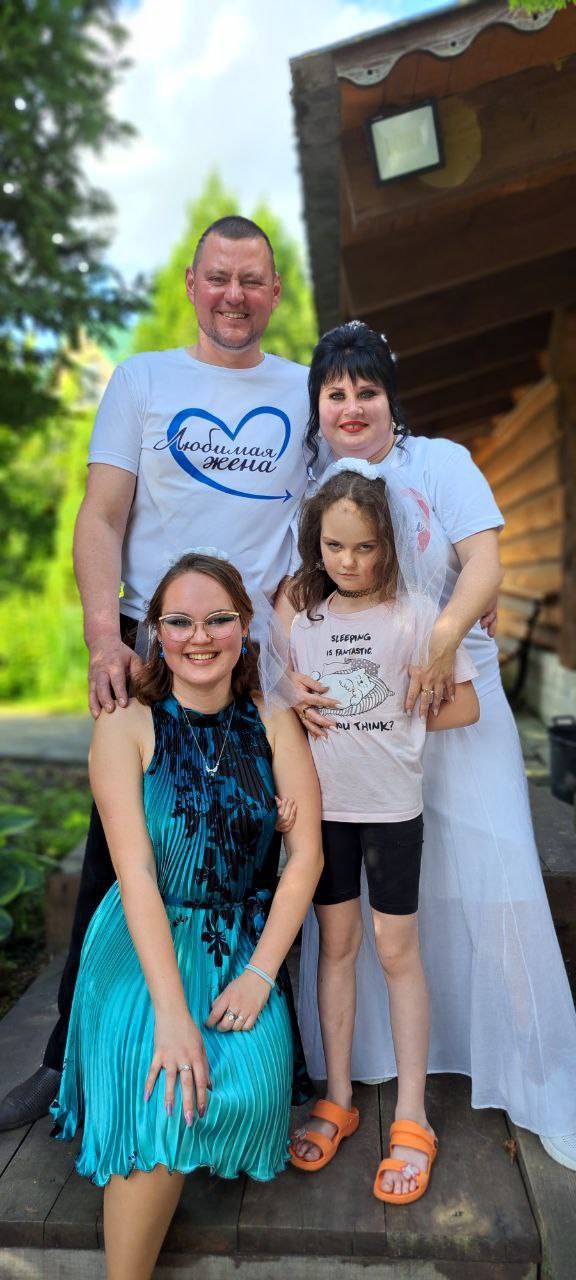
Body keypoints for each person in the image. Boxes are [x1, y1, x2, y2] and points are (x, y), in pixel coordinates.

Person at [0, 215, 316, 1131]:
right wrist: (107, 638)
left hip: (259, 654)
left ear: (275, 291)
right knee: (121, 852)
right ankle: (67, 1061)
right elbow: (101, 516)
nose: (233, 296)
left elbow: (363, 489)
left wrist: (455, 580)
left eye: (251, 280)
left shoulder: (302, 392)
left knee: (266, 837)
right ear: (191, 282)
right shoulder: (142, 380)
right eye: (218, 277)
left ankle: (275, 1048)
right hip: (157, 643)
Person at [292, 321, 576, 1170]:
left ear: (392, 397)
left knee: (495, 869)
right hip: (363, 726)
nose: (351, 407)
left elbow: (484, 563)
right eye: (335, 393)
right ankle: (364, 1069)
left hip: (454, 704)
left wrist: (445, 635)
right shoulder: (311, 483)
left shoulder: (441, 463)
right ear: (317, 404)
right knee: (372, 909)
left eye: (367, 390)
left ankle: (528, 1070)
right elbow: (290, 590)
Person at [50, 551, 322, 1280]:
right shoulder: (126, 725)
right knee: (167, 1093)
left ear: (244, 626)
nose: (199, 637)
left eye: (217, 620)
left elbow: (306, 858)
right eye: (179, 621)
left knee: (251, 1085)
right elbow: (136, 874)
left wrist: (261, 974)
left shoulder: (273, 719)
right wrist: (171, 1015)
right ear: (156, 632)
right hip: (145, 936)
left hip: (237, 942)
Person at [285, 464, 479, 1203]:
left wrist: (402, 709)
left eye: (365, 547)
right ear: (317, 544)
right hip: (325, 813)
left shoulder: (417, 615)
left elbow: (465, 707)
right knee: (335, 947)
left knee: (396, 951)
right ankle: (336, 1097)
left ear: (388, 545)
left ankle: (411, 1116)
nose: (350, 561)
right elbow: (288, 706)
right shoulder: (305, 620)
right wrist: (293, 705)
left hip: (392, 811)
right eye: (335, 546)